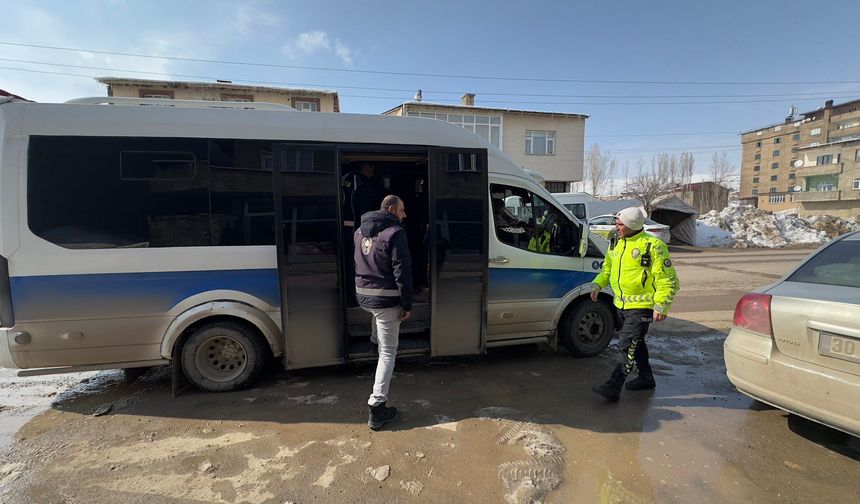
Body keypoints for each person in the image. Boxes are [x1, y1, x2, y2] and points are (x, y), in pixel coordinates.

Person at [589, 206, 680, 401]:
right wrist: (598, 284)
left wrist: (661, 305)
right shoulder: (617, 243)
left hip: (642, 307)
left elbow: (668, 280)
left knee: (625, 346)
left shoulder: (652, 245)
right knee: (635, 343)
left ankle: (613, 386)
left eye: (620, 224)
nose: (616, 226)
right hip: (621, 305)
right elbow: (607, 269)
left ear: (632, 225)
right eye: (617, 223)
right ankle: (646, 377)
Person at [354, 194, 412, 430]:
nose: (404, 214)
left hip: (364, 295)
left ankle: (374, 340)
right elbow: (402, 270)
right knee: (388, 353)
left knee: (378, 328)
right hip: (386, 300)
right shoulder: (395, 233)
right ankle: (377, 407)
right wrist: (407, 304)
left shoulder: (359, 232)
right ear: (391, 209)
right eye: (402, 210)